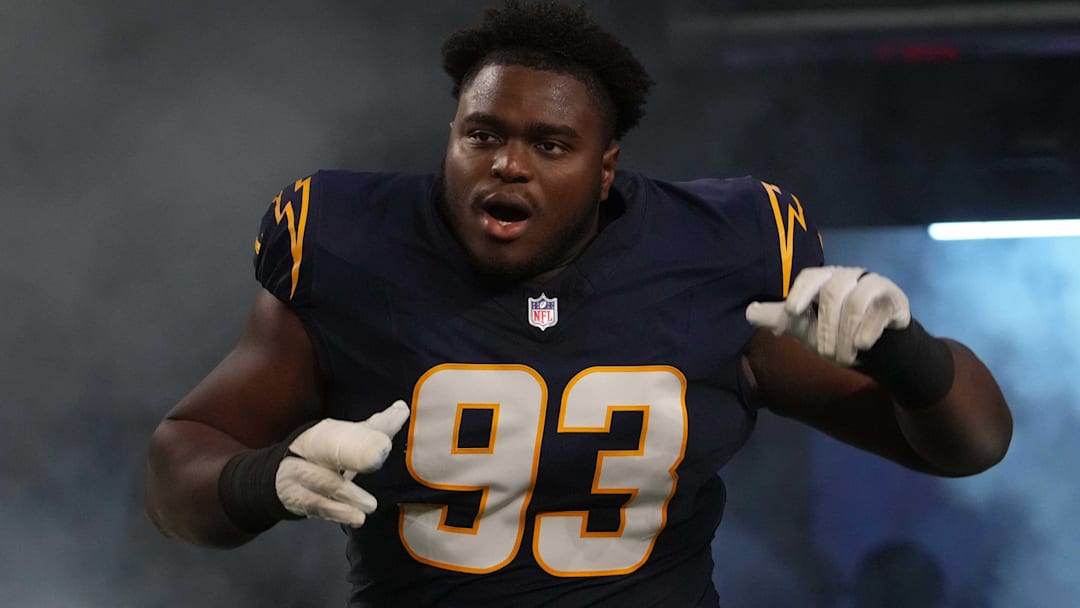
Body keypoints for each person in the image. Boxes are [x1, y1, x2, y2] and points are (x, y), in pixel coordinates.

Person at [144, 2, 1013, 606]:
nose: (507, 165)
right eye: (481, 134)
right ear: (451, 138)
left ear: (607, 170)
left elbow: (968, 445)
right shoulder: (349, 248)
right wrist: (264, 480)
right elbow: (177, 473)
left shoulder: (715, 257)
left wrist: (904, 351)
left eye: (550, 144)